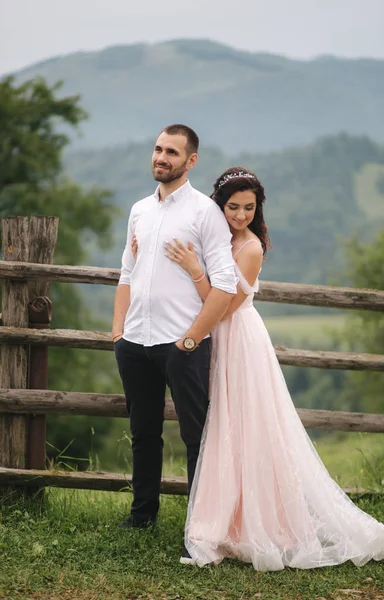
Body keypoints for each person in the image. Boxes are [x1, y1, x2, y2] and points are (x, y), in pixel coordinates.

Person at [160, 167, 384, 570]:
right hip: (215, 336)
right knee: (221, 428)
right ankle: (226, 522)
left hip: (238, 339)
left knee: (243, 426)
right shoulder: (217, 237)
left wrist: (194, 269)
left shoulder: (250, 248)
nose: (240, 215)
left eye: (248, 208)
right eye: (232, 207)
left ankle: (251, 524)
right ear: (219, 205)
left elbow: (224, 305)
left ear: (258, 209)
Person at [112, 125, 237, 558]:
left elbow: (225, 283)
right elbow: (127, 271)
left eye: (172, 152)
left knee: (196, 436)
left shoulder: (205, 213)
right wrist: (118, 332)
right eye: (158, 149)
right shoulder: (139, 211)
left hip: (182, 345)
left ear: (191, 160)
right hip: (136, 342)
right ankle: (142, 513)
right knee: (143, 432)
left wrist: (192, 339)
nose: (161, 157)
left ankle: (199, 527)